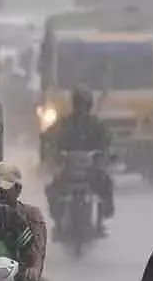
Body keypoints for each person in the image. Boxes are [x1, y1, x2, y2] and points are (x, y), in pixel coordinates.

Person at [44, 86, 116, 235]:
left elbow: (107, 142)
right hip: (68, 170)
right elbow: (50, 139)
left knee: (106, 182)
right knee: (52, 189)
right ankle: (58, 222)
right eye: (79, 104)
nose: (81, 108)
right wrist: (52, 154)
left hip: (91, 170)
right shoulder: (64, 123)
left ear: (89, 105)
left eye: (84, 104)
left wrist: (105, 154)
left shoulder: (97, 124)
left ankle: (101, 221)